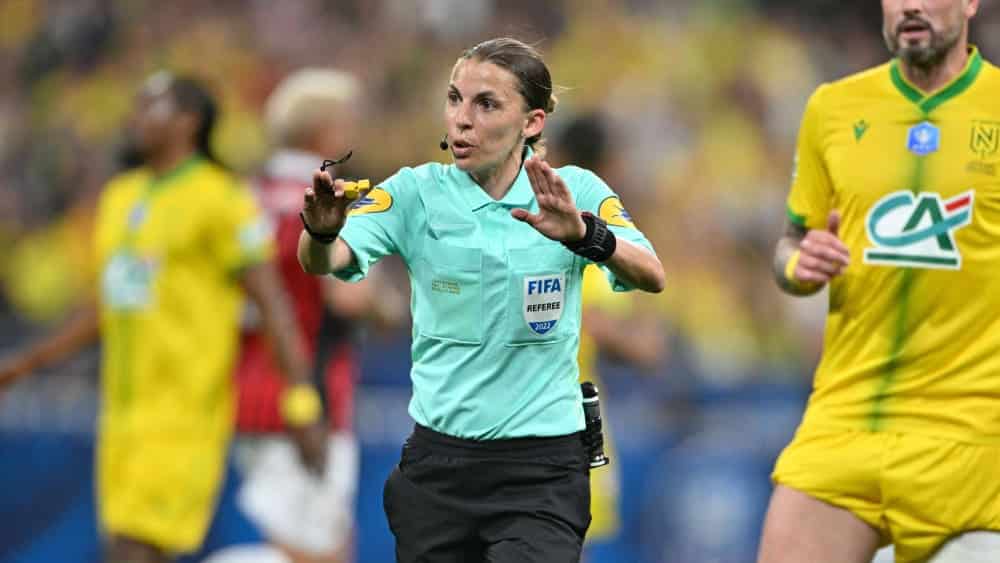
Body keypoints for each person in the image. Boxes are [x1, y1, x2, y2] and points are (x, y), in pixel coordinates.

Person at [298, 37, 665, 563]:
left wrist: (585, 234)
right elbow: (324, 260)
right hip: (439, 467)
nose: (462, 119)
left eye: (486, 104)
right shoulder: (414, 193)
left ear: (532, 122)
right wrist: (320, 232)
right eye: (455, 99)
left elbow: (651, 272)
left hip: (543, 468)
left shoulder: (573, 191)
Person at [0, 72, 325, 563]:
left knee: (132, 548)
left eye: (150, 106)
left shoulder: (221, 199)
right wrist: (28, 363)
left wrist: (300, 403)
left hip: (184, 414)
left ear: (188, 122)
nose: (134, 118)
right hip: (122, 416)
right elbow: (110, 305)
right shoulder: (120, 196)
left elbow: (272, 305)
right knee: (131, 547)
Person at [758, 1, 1000, 562]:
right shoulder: (833, 107)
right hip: (847, 421)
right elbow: (791, 244)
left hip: (973, 438)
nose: (910, 5)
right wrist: (798, 265)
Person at [233, 68, 405, 563]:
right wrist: (389, 303)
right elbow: (348, 298)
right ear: (326, 130)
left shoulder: (246, 195)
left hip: (249, 390)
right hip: (312, 393)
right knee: (316, 552)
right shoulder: (328, 199)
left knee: (299, 543)